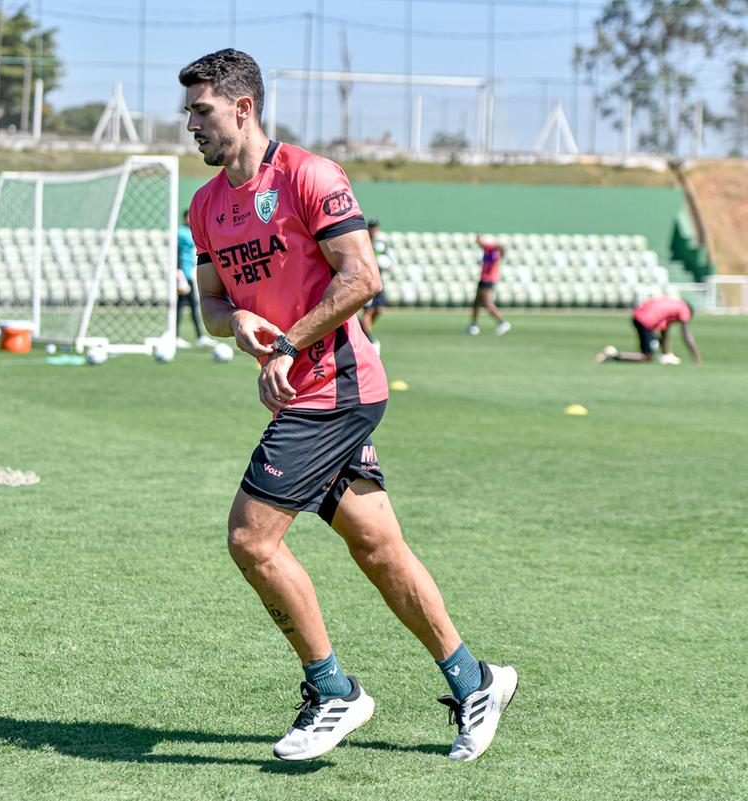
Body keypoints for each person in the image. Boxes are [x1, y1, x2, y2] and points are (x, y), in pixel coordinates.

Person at [180, 48, 516, 763]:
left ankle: (333, 690)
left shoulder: (310, 175)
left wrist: (283, 348)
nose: (191, 126)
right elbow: (210, 305)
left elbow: (361, 277)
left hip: (337, 390)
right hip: (300, 393)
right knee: (376, 544)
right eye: (189, 112)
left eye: (202, 111)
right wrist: (234, 323)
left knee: (251, 538)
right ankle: (475, 679)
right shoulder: (205, 204)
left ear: (243, 108)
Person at [596, 296, 701, 365]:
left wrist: (667, 353)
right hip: (645, 321)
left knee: (652, 345)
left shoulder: (674, 303)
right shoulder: (684, 310)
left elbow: (664, 332)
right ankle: (613, 356)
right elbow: (687, 335)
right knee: (647, 356)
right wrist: (696, 357)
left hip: (638, 316)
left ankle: (613, 355)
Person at [176, 208, 213, 347]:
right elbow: (176, 251)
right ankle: (178, 336)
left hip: (191, 272)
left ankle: (197, 336)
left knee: (190, 305)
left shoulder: (194, 231)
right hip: (183, 274)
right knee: (183, 305)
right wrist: (178, 270)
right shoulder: (180, 233)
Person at [467, 235, 511, 336]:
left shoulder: (490, 247)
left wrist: (498, 259)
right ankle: (474, 325)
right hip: (484, 278)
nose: (477, 242)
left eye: (479, 239)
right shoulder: (486, 250)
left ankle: (502, 322)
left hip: (488, 279)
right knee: (476, 303)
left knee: (487, 303)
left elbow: (499, 250)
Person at [358, 219, 387, 353]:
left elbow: (388, 259)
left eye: (375, 227)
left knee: (379, 309)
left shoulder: (381, 245)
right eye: (371, 227)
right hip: (367, 280)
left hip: (378, 280)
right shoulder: (363, 242)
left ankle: (363, 329)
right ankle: (370, 339)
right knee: (368, 312)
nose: (374, 230)